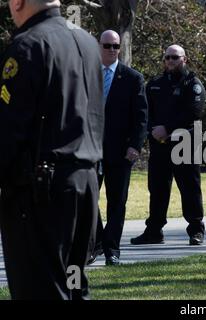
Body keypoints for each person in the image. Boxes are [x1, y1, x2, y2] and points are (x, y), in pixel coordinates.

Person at [0, 0, 104, 299]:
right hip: (85, 186)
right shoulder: (86, 42)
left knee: (41, 290)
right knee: (73, 286)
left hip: (41, 194)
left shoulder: (28, 46)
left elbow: (9, 131)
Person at [130, 45, 206, 246]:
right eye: (167, 58)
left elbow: (194, 113)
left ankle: (196, 230)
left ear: (184, 60)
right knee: (157, 188)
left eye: (175, 57)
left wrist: (168, 128)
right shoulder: (155, 84)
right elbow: (146, 111)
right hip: (160, 145)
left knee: (190, 188)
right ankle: (154, 230)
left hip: (185, 144)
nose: (170, 61)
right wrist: (154, 130)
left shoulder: (193, 84)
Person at [88, 30, 148, 266]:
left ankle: (112, 249)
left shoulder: (132, 78)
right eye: (107, 45)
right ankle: (98, 241)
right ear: (98, 46)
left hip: (120, 150)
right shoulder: (87, 73)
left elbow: (141, 117)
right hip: (90, 149)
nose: (112, 50)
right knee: (87, 199)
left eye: (115, 46)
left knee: (116, 201)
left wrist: (135, 145)